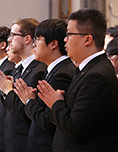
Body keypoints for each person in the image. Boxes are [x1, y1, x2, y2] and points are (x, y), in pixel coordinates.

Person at [36, 8, 118, 151]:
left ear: (87, 39)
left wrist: (55, 103)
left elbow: (75, 128)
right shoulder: (88, 69)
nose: (65, 40)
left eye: (69, 34)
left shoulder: (97, 75)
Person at [12, 19, 76, 151]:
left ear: (53, 44)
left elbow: (48, 122)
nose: (34, 45)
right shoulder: (53, 69)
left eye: (38, 40)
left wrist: (28, 100)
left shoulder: (61, 74)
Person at [0, 18, 47, 152]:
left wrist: (8, 90)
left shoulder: (39, 69)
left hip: (23, 142)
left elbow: (26, 111)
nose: (9, 39)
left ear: (27, 39)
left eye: (13, 35)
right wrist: (1, 88)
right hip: (8, 139)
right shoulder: (18, 68)